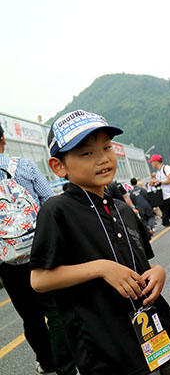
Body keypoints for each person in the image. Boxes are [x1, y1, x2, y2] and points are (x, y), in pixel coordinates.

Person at [29, 110, 170, 375]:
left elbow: (143, 265)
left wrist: (157, 272)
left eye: (106, 147)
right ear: (59, 166)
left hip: (157, 334)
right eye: (86, 153)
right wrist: (101, 268)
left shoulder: (122, 208)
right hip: (106, 349)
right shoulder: (57, 211)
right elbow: (39, 279)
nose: (102, 158)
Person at [0, 125, 77, 375]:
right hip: (40, 251)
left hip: (7, 260)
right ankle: (67, 365)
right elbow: (48, 202)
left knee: (29, 315)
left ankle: (47, 363)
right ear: (3, 141)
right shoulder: (23, 166)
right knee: (54, 310)